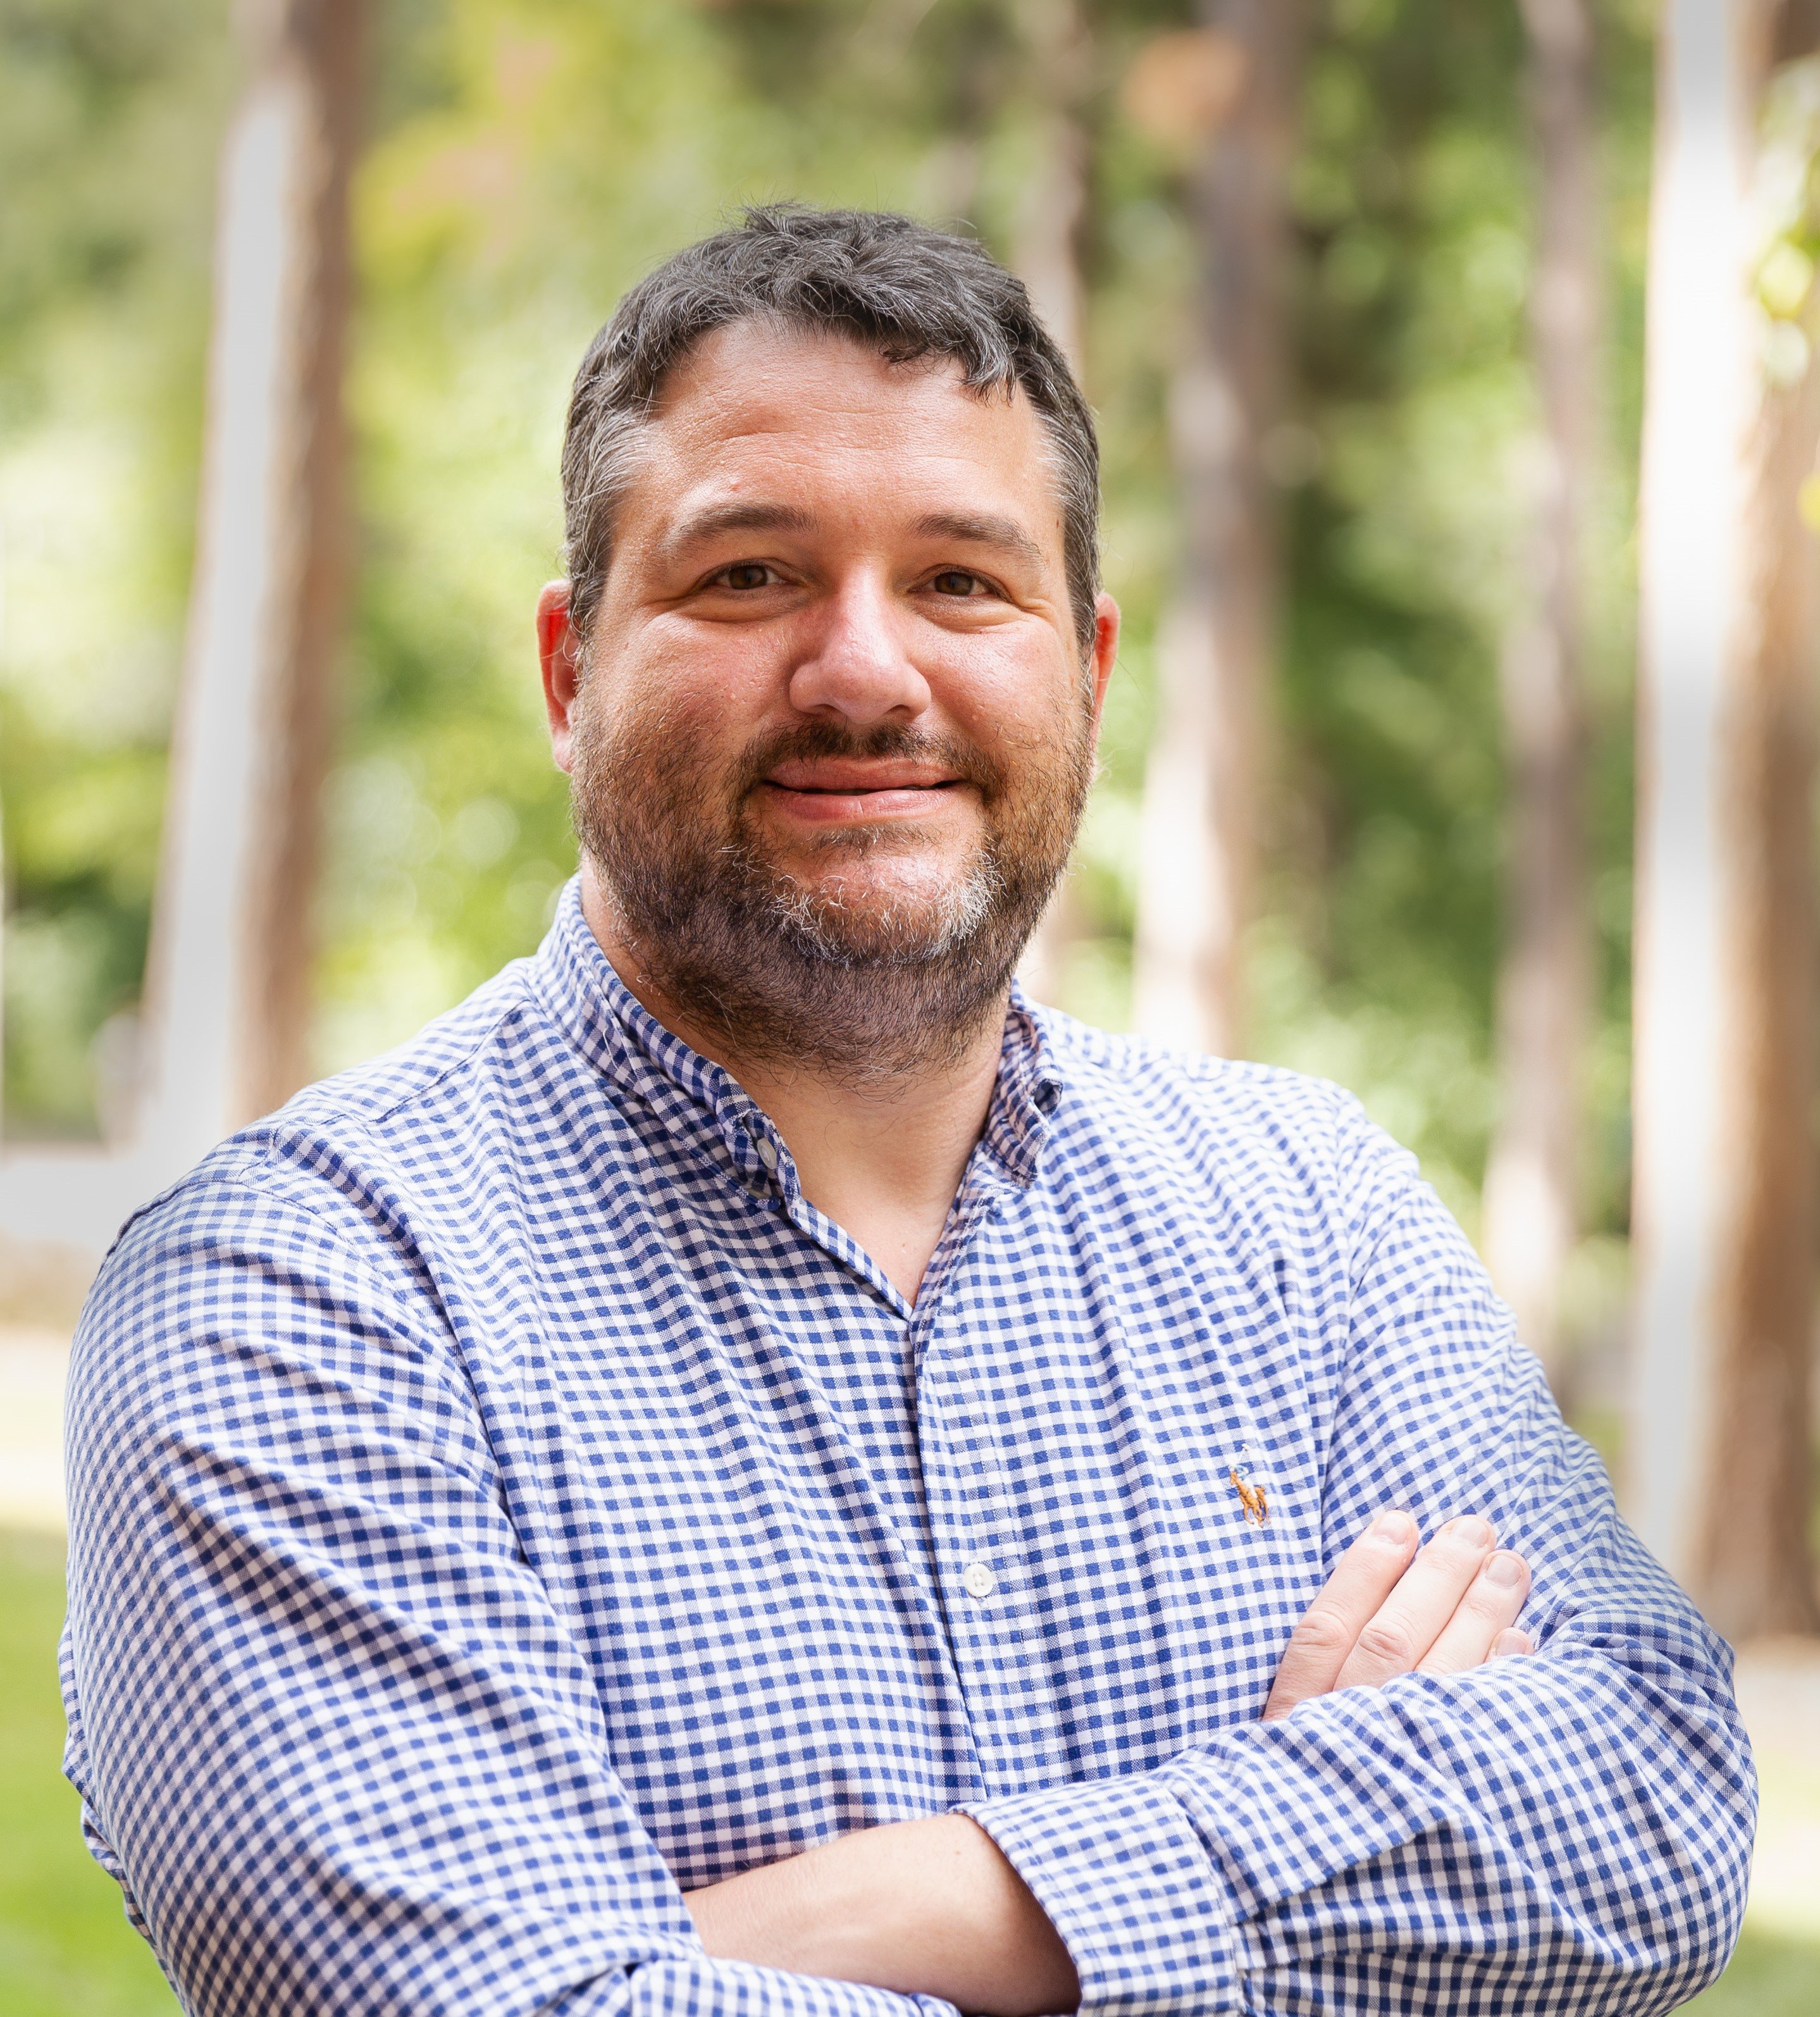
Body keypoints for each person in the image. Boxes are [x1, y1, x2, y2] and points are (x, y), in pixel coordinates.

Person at [62, 206, 1750, 2017]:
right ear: (569, 672)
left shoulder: (1308, 1214)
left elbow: (1656, 1804)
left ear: (1087, 671)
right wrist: (1320, 1853)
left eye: (961, 581)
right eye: (748, 576)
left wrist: (845, 1920)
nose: (867, 673)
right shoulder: (291, 1291)